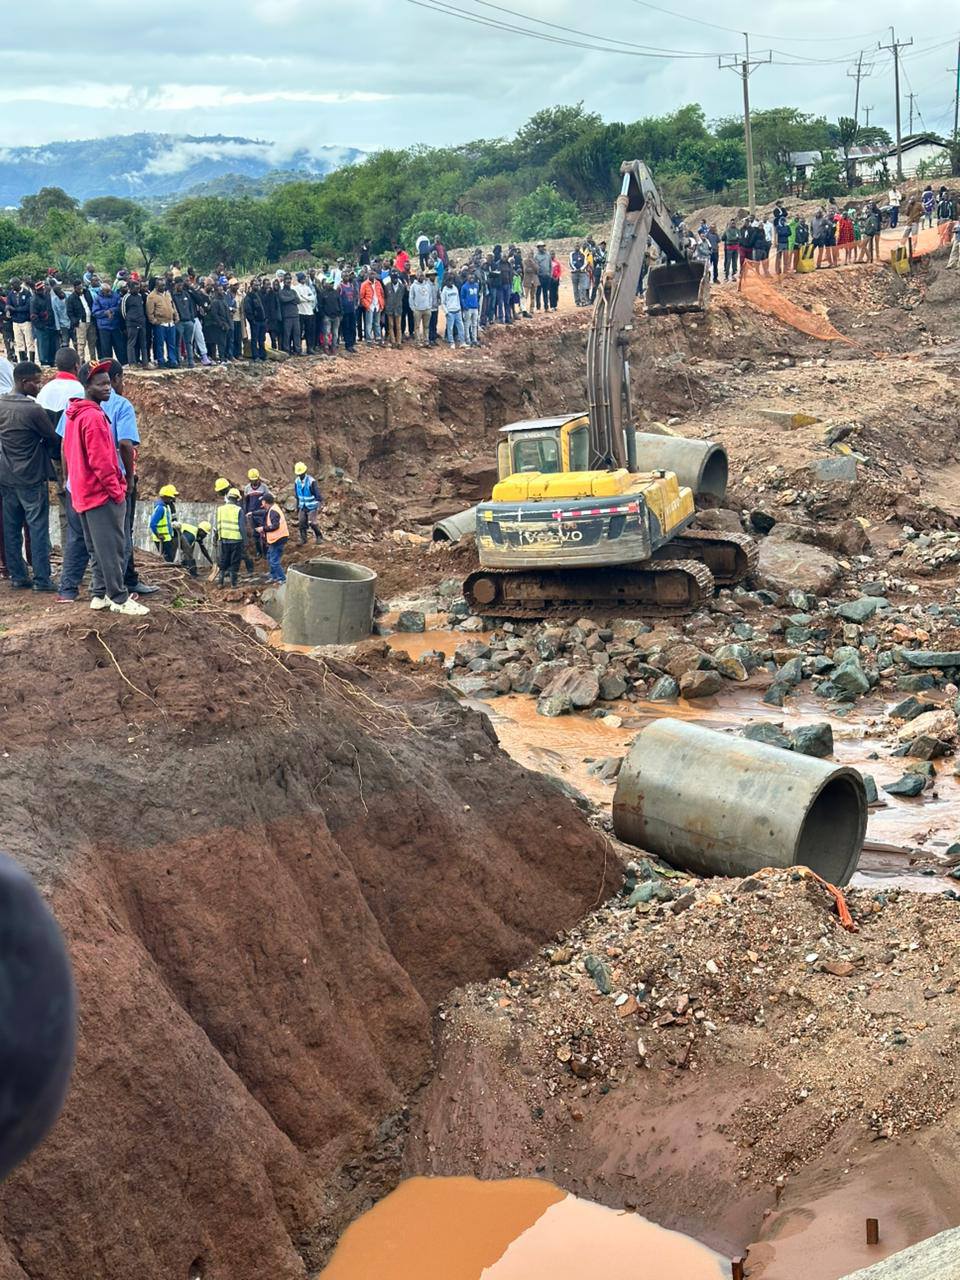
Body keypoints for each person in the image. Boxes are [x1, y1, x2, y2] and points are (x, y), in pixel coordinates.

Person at [61, 360, 147, 615]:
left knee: (95, 547)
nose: (107, 388)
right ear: (87, 385)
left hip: (81, 490)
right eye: (101, 384)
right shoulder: (94, 418)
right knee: (112, 547)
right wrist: (117, 490)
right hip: (100, 494)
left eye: (109, 382)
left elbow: (67, 450)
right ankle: (119, 598)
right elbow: (103, 462)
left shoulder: (74, 413)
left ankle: (99, 594)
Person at [0, 361, 59, 591]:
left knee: (11, 527)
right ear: (24, 382)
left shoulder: (1, 404)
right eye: (36, 382)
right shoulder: (32, 409)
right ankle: (42, 579)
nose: (39, 385)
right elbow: (53, 437)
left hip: (6, 474)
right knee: (37, 528)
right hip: (31, 476)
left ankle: (18, 576)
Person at [215, 487, 245, 588]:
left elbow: (218, 525)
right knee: (234, 562)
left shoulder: (220, 509)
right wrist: (245, 540)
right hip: (236, 540)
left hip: (224, 539)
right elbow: (241, 527)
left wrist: (217, 538)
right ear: (237, 499)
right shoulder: (239, 510)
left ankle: (220, 583)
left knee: (224, 560)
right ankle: (233, 584)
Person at [260, 491, 288, 583]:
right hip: (278, 538)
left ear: (265, 502)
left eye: (262, 501)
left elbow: (275, 526)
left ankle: (282, 579)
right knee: (269, 556)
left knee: (274, 560)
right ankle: (273, 575)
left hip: (278, 539)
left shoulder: (273, 511)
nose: (261, 503)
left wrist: (263, 529)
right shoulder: (273, 508)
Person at [293, 461, 323, 543]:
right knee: (302, 522)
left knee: (312, 523)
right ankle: (303, 539)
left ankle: (319, 536)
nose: (300, 475)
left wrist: (319, 505)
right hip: (302, 506)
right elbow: (297, 495)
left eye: (301, 473)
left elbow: (318, 495)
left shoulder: (311, 481)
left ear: (305, 472)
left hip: (312, 506)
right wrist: (297, 507)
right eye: (299, 474)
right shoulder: (297, 482)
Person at [120, 280, 148, 369]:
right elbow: (123, 312)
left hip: (141, 322)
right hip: (131, 324)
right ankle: (132, 363)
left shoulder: (140, 296)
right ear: (130, 288)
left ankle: (145, 363)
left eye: (139, 288)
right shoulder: (126, 297)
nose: (138, 290)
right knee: (131, 344)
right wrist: (129, 320)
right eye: (136, 288)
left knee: (143, 343)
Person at [68, 280, 97, 362]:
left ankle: (93, 359)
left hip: (90, 321)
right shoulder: (71, 298)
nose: (81, 289)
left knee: (92, 341)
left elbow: (91, 304)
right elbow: (69, 312)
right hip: (81, 323)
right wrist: (75, 322)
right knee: (81, 343)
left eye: (81, 287)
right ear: (75, 288)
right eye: (79, 288)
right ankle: (81, 361)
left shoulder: (87, 293)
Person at [92, 283, 122, 361]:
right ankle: (108, 363)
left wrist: (111, 311)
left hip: (115, 325)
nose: (109, 293)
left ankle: (123, 363)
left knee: (119, 346)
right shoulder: (97, 298)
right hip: (104, 327)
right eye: (107, 291)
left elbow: (119, 307)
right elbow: (95, 312)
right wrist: (105, 313)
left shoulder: (116, 296)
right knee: (106, 348)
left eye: (110, 291)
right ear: (102, 291)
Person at [149, 483, 179, 562]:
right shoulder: (160, 508)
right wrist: (158, 535)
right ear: (165, 497)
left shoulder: (166, 507)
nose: (172, 500)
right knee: (167, 560)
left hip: (166, 539)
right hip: (162, 540)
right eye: (170, 498)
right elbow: (152, 524)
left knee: (169, 559)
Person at [243, 467, 269, 556]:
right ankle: (258, 552)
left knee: (264, 533)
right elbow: (246, 502)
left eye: (255, 480)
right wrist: (246, 512)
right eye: (252, 480)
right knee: (255, 534)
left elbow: (268, 500)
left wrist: (267, 511)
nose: (254, 482)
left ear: (258, 478)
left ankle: (265, 552)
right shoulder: (247, 488)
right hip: (251, 514)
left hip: (262, 513)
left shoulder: (264, 488)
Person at [359, 270, 385, 345]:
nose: (372, 276)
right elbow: (361, 297)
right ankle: (369, 339)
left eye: (373, 274)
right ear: (368, 275)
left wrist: (381, 304)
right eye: (371, 274)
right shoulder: (364, 284)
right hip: (369, 306)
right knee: (369, 323)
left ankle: (378, 338)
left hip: (377, 305)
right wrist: (367, 305)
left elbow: (382, 294)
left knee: (377, 323)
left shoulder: (378, 283)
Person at [294, 272, 317, 355]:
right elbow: (299, 299)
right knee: (299, 332)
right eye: (302, 278)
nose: (304, 279)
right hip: (300, 312)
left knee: (309, 331)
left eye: (304, 278)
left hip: (309, 312)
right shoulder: (296, 288)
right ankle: (299, 349)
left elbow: (313, 298)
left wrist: (305, 298)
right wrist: (307, 298)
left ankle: (309, 348)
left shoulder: (307, 288)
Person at [383, 269, 406, 349]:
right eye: (393, 277)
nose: (394, 279)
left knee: (398, 326)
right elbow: (385, 297)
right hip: (389, 308)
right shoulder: (387, 286)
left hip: (398, 308)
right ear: (391, 278)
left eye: (396, 277)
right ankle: (393, 342)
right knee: (391, 325)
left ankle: (399, 342)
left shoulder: (402, 287)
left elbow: (402, 297)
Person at [243, 284, 267, 361]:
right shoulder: (249, 297)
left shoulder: (259, 295)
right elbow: (248, 309)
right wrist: (252, 320)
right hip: (255, 321)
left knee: (262, 339)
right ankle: (255, 356)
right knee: (255, 339)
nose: (257, 286)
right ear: (251, 286)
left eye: (258, 285)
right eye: (255, 285)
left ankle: (262, 355)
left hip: (262, 320)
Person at [278, 274, 300, 355]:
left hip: (295, 315)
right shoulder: (281, 292)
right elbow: (283, 300)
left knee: (297, 334)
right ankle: (286, 350)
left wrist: (290, 299)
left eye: (290, 279)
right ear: (283, 281)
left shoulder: (293, 291)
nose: (288, 281)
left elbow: (298, 300)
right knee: (287, 334)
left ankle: (297, 350)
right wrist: (292, 298)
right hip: (287, 316)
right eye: (287, 279)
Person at [440, 275, 464, 349]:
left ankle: (462, 342)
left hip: (457, 311)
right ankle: (451, 342)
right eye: (449, 281)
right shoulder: (444, 290)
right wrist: (446, 312)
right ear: (446, 282)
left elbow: (457, 299)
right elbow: (442, 303)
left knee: (461, 327)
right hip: (450, 312)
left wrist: (459, 308)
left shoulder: (455, 288)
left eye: (451, 281)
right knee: (450, 328)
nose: (450, 283)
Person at [339, 270, 358, 353]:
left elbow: (354, 296)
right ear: (342, 277)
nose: (346, 277)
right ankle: (348, 345)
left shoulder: (351, 285)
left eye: (347, 275)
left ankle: (352, 343)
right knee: (346, 328)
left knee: (353, 327)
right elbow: (338, 299)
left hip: (351, 309)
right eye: (344, 276)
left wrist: (356, 304)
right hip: (344, 311)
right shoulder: (339, 286)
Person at [460, 270, 481, 347]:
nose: (471, 277)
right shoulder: (464, 287)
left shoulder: (476, 285)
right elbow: (462, 298)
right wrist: (465, 306)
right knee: (467, 324)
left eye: (473, 276)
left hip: (475, 307)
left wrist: (477, 305)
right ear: (467, 277)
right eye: (470, 275)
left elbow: (477, 296)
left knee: (475, 324)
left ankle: (474, 339)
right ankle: (468, 340)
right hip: (468, 308)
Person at [533, 241, 552, 311]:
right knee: (538, 293)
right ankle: (538, 308)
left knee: (545, 293)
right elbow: (535, 267)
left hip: (546, 276)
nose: (542, 248)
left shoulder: (548, 255)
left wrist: (550, 274)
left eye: (542, 246)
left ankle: (546, 307)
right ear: (538, 248)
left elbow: (550, 266)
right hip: (539, 277)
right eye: (540, 247)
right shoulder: (536, 256)